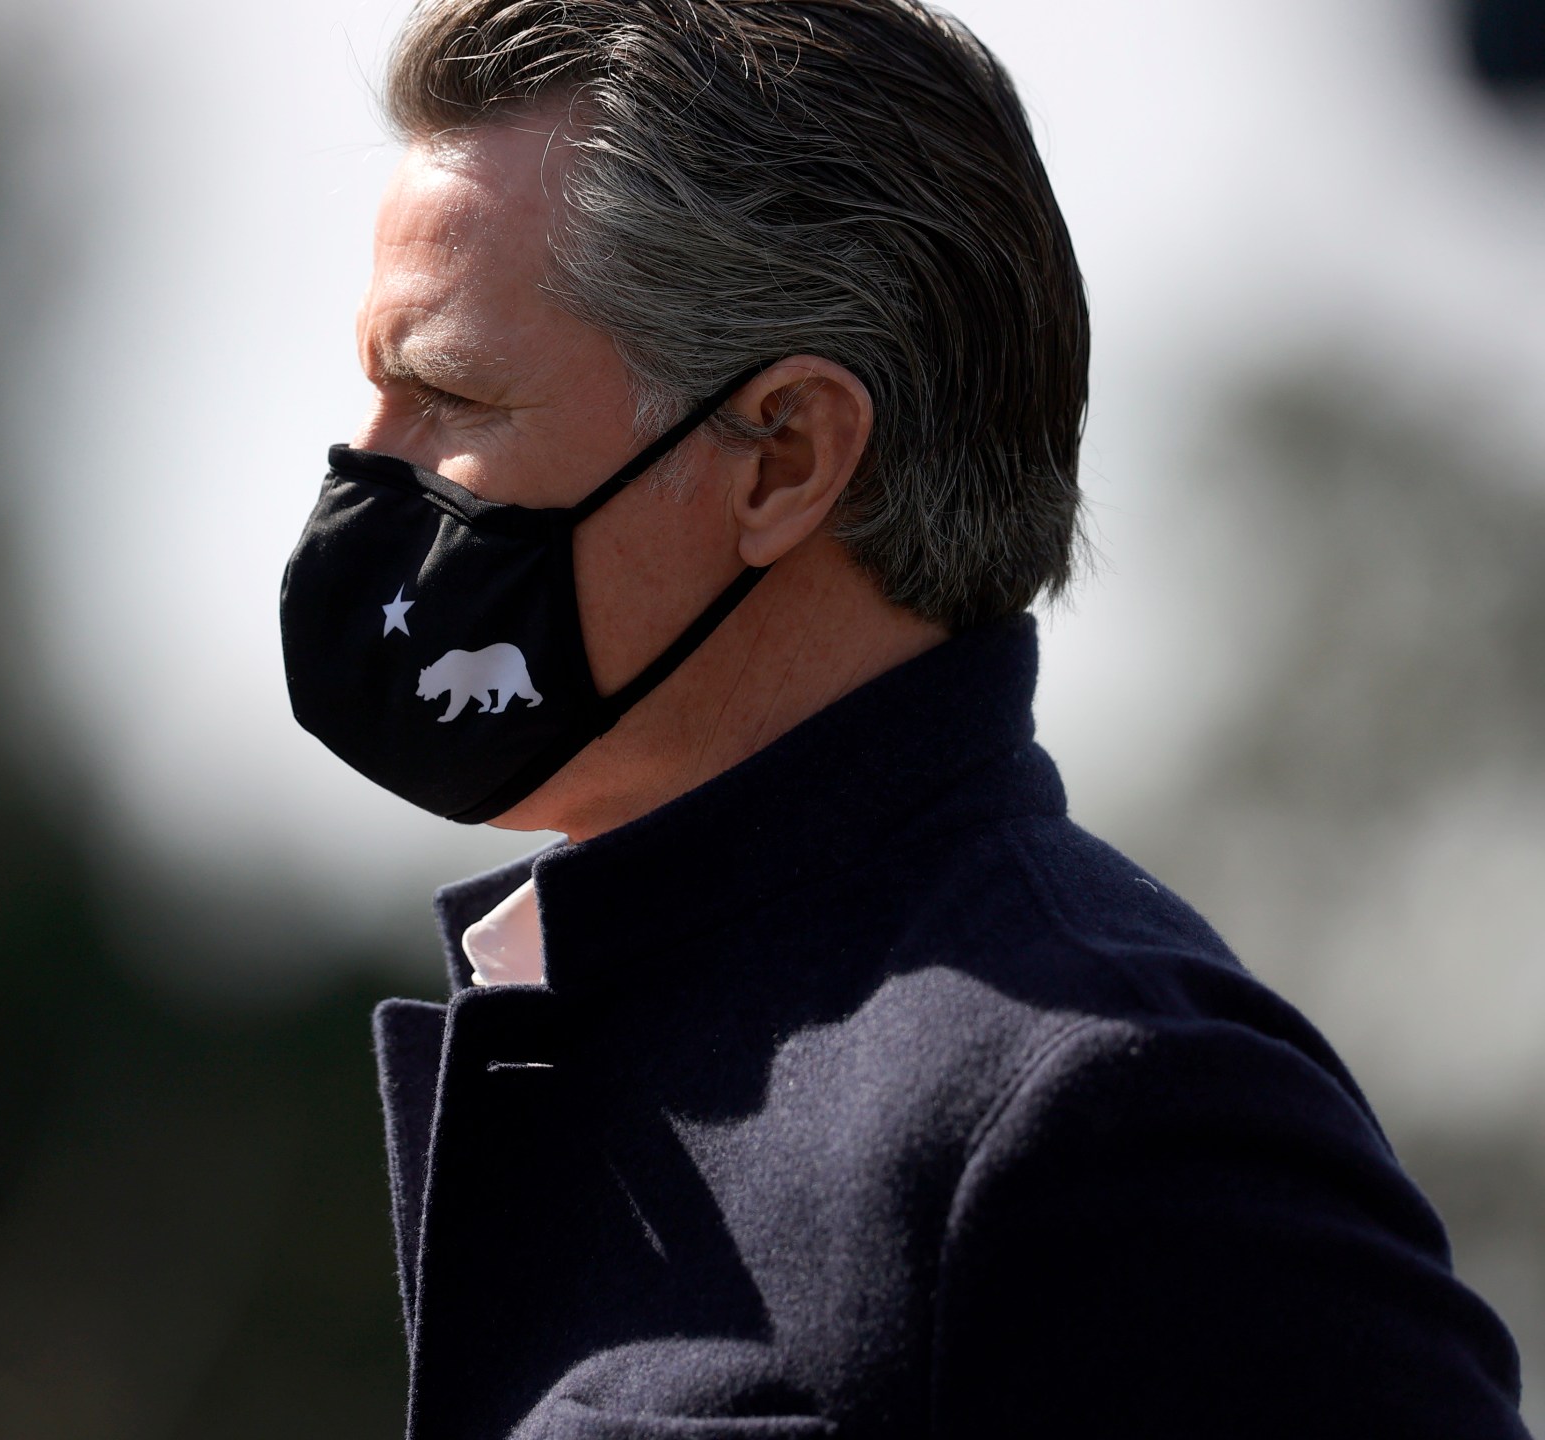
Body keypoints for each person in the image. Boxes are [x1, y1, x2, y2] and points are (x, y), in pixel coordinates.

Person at [273, 2, 1532, 1436]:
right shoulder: (633, 1019)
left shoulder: (1115, 1117)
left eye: (443, 392)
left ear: (784, 459)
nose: (364, 472)